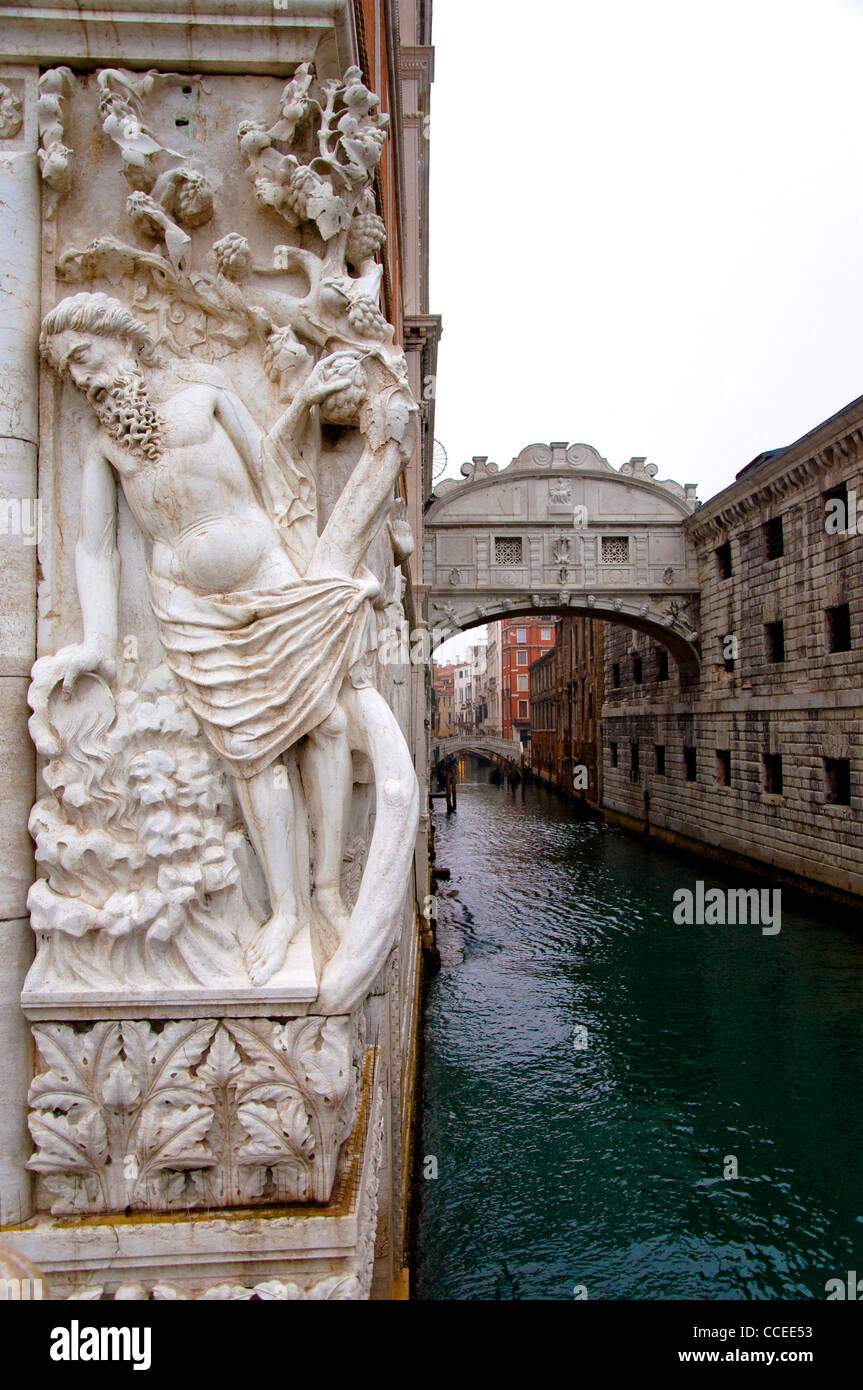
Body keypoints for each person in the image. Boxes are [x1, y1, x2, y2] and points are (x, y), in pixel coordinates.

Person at [34, 291, 416, 986]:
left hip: (266, 576)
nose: (83, 380)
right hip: (187, 607)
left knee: (325, 724)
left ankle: (326, 889)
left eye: (84, 360)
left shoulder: (206, 391)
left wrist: (301, 406)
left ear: (120, 338)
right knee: (250, 753)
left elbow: (273, 469)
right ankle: (284, 913)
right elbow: (94, 548)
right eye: (70, 374)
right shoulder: (106, 443)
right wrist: (95, 640)